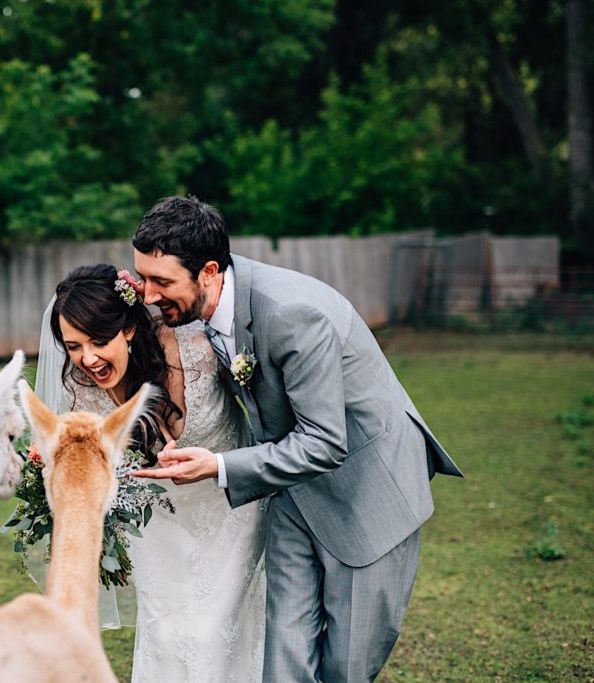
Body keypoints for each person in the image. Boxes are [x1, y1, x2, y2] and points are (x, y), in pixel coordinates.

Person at [131, 196, 464, 682]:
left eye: (161, 282)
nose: (148, 294)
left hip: (369, 493)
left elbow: (326, 443)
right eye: (143, 278)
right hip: (289, 491)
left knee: (345, 668)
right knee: (283, 659)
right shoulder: (207, 302)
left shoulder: (291, 313)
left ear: (207, 272)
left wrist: (220, 466)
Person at [38, 263, 266, 682]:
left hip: (231, 513)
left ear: (127, 328)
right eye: (73, 346)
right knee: (164, 636)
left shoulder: (198, 345)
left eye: (99, 341)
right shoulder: (82, 392)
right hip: (159, 527)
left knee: (211, 637)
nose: (87, 358)